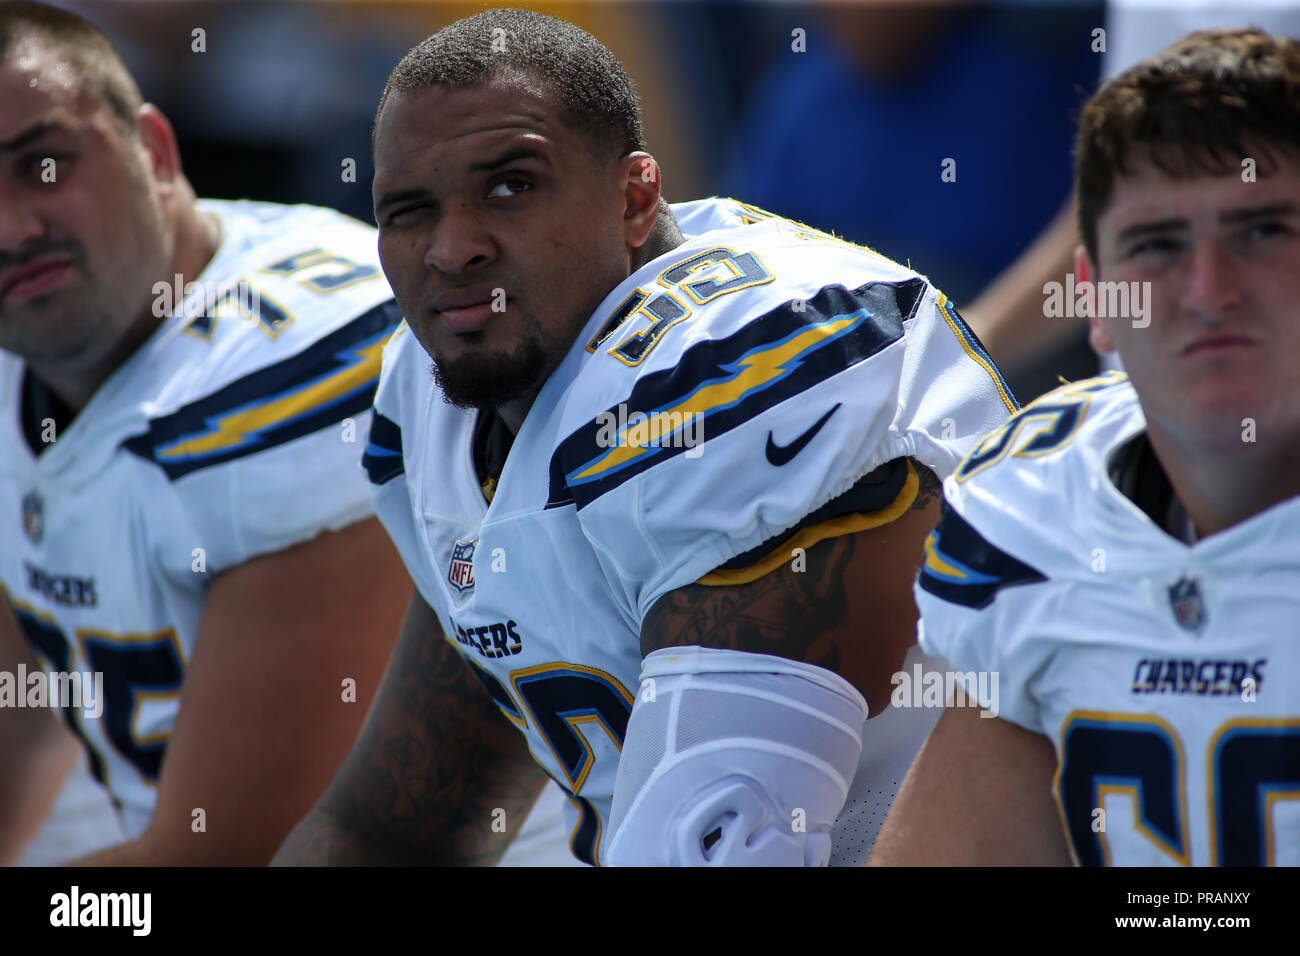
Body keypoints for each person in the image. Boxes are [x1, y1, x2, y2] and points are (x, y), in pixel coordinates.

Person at [274, 8, 1017, 867]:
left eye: (510, 186)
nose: (451, 249)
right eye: (409, 210)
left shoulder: (741, 375)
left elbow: (722, 849)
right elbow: (388, 829)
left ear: (635, 200)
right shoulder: (441, 390)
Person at [872, 28, 1300, 866]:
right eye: (1158, 246)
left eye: (1261, 232)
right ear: (1096, 303)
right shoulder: (1032, 509)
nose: (1209, 291)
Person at [0, 2, 415, 865]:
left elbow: (222, 862)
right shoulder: (30, 354)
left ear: (154, 151)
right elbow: (22, 702)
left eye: (42, 165)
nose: (12, 226)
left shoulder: (295, 372)